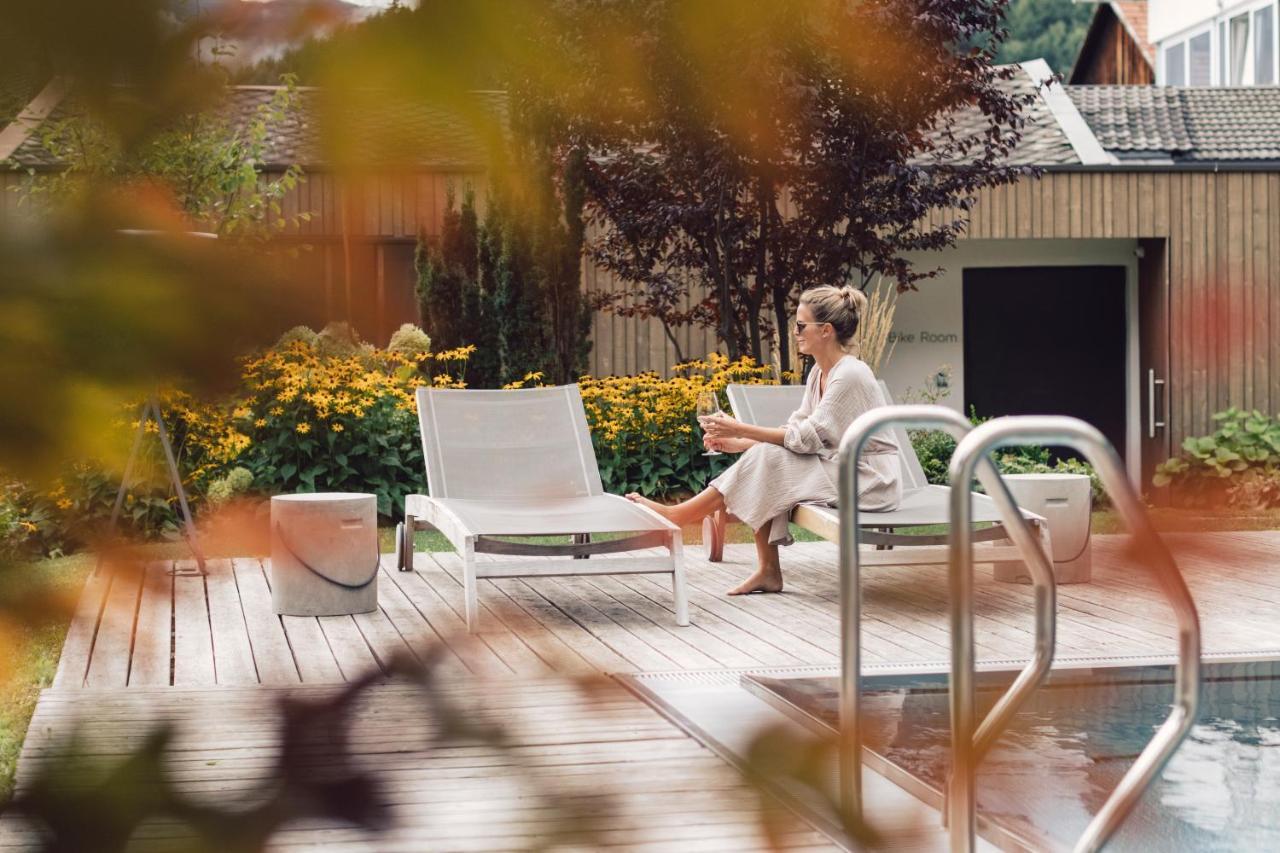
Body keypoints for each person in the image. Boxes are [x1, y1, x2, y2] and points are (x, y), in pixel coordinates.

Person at [627, 284, 901, 595]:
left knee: (770, 460)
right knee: (768, 458)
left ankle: (681, 515)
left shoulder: (850, 374)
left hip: (872, 481)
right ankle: (767, 571)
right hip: (845, 469)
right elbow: (795, 430)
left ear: (825, 330)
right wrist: (739, 443)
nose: (794, 331)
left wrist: (739, 429)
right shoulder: (818, 373)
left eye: (800, 325)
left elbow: (806, 440)